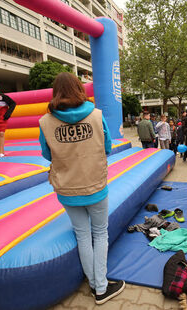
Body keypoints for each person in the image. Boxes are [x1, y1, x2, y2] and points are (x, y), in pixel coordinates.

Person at [38, 72, 125, 305]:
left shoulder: (45, 121)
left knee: (82, 235)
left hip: (67, 187)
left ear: (55, 92)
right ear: (79, 89)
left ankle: (95, 284)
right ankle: (101, 287)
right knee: (100, 233)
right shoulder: (96, 115)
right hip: (95, 183)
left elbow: (47, 154)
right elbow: (107, 146)